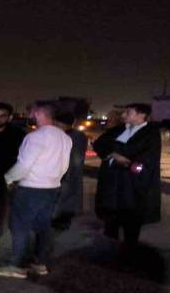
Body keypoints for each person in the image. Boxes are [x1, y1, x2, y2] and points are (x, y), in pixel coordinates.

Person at [0, 101, 72, 278]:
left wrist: (8, 178)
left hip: (31, 188)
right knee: (43, 226)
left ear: (40, 114)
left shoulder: (35, 137)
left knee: (19, 226)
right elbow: (64, 166)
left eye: (33, 112)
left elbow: (23, 166)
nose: (30, 115)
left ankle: (16, 265)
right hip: (51, 188)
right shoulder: (64, 137)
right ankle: (39, 263)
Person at [93, 103, 161, 251]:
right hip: (111, 182)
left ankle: (129, 253)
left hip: (131, 184)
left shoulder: (151, 134)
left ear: (141, 115)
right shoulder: (118, 130)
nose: (123, 115)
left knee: (131, 221)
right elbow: (99, 144)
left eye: (128, 112)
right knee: (110, 219)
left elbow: (142, 157)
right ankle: (110, 249)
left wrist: (122, 158)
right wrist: (113, 154)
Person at [0, 102, 26, 249]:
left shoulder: (18, 134)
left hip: (3, 177)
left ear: (9, 117)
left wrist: (14, 177)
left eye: (2, 115)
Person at [51, 111, 89, 231]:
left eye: (56, 123)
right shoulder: (66, 134)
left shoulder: (76, 136)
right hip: (61, 173)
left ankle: (61, 222)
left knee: (67, 199)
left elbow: (76, 159)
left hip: (68, 174)